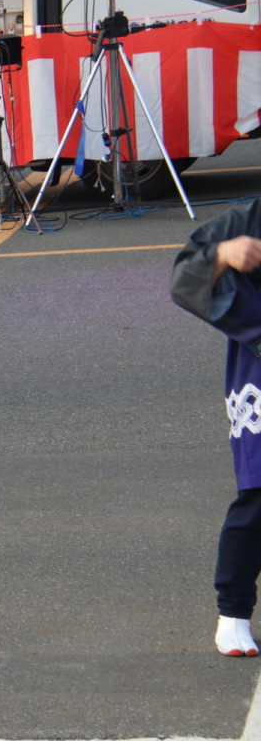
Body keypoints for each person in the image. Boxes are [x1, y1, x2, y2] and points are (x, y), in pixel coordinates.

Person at [172, 199, 261, 657]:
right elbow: (183, 278)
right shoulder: (247, 220)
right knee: (260, 497)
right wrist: (223, 254)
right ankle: (233, 612)